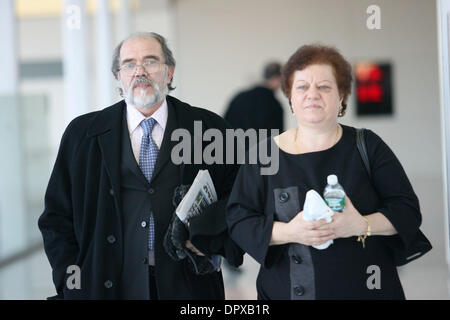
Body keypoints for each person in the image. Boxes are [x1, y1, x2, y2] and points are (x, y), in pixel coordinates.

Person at [38, 32, 242, 300]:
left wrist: (212, 240)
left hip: (189, 287)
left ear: (169, 72)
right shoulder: (82, 134)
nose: (140, 71)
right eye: (129, 64)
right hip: (107, 287)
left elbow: (239, 200)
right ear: (118, 76)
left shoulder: (210, 130)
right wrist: (71, 282)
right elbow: (57, 218)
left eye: (151, 61)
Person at [226, 44, 431, 299]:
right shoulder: (264, 155)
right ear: (290, 96)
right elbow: (239, 221)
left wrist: (361, 225)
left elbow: (407, 211)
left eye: (324, 86)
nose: (312, 94)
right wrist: (291, 231)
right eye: (302, 87)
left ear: (342, 95)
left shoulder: (367, 146)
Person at [224, 62, 284, 135]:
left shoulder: (240, 97)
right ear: (276, 78)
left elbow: (224, 126)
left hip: (233, 145)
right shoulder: (275, 105)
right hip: (261, 146)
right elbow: (277, 138)